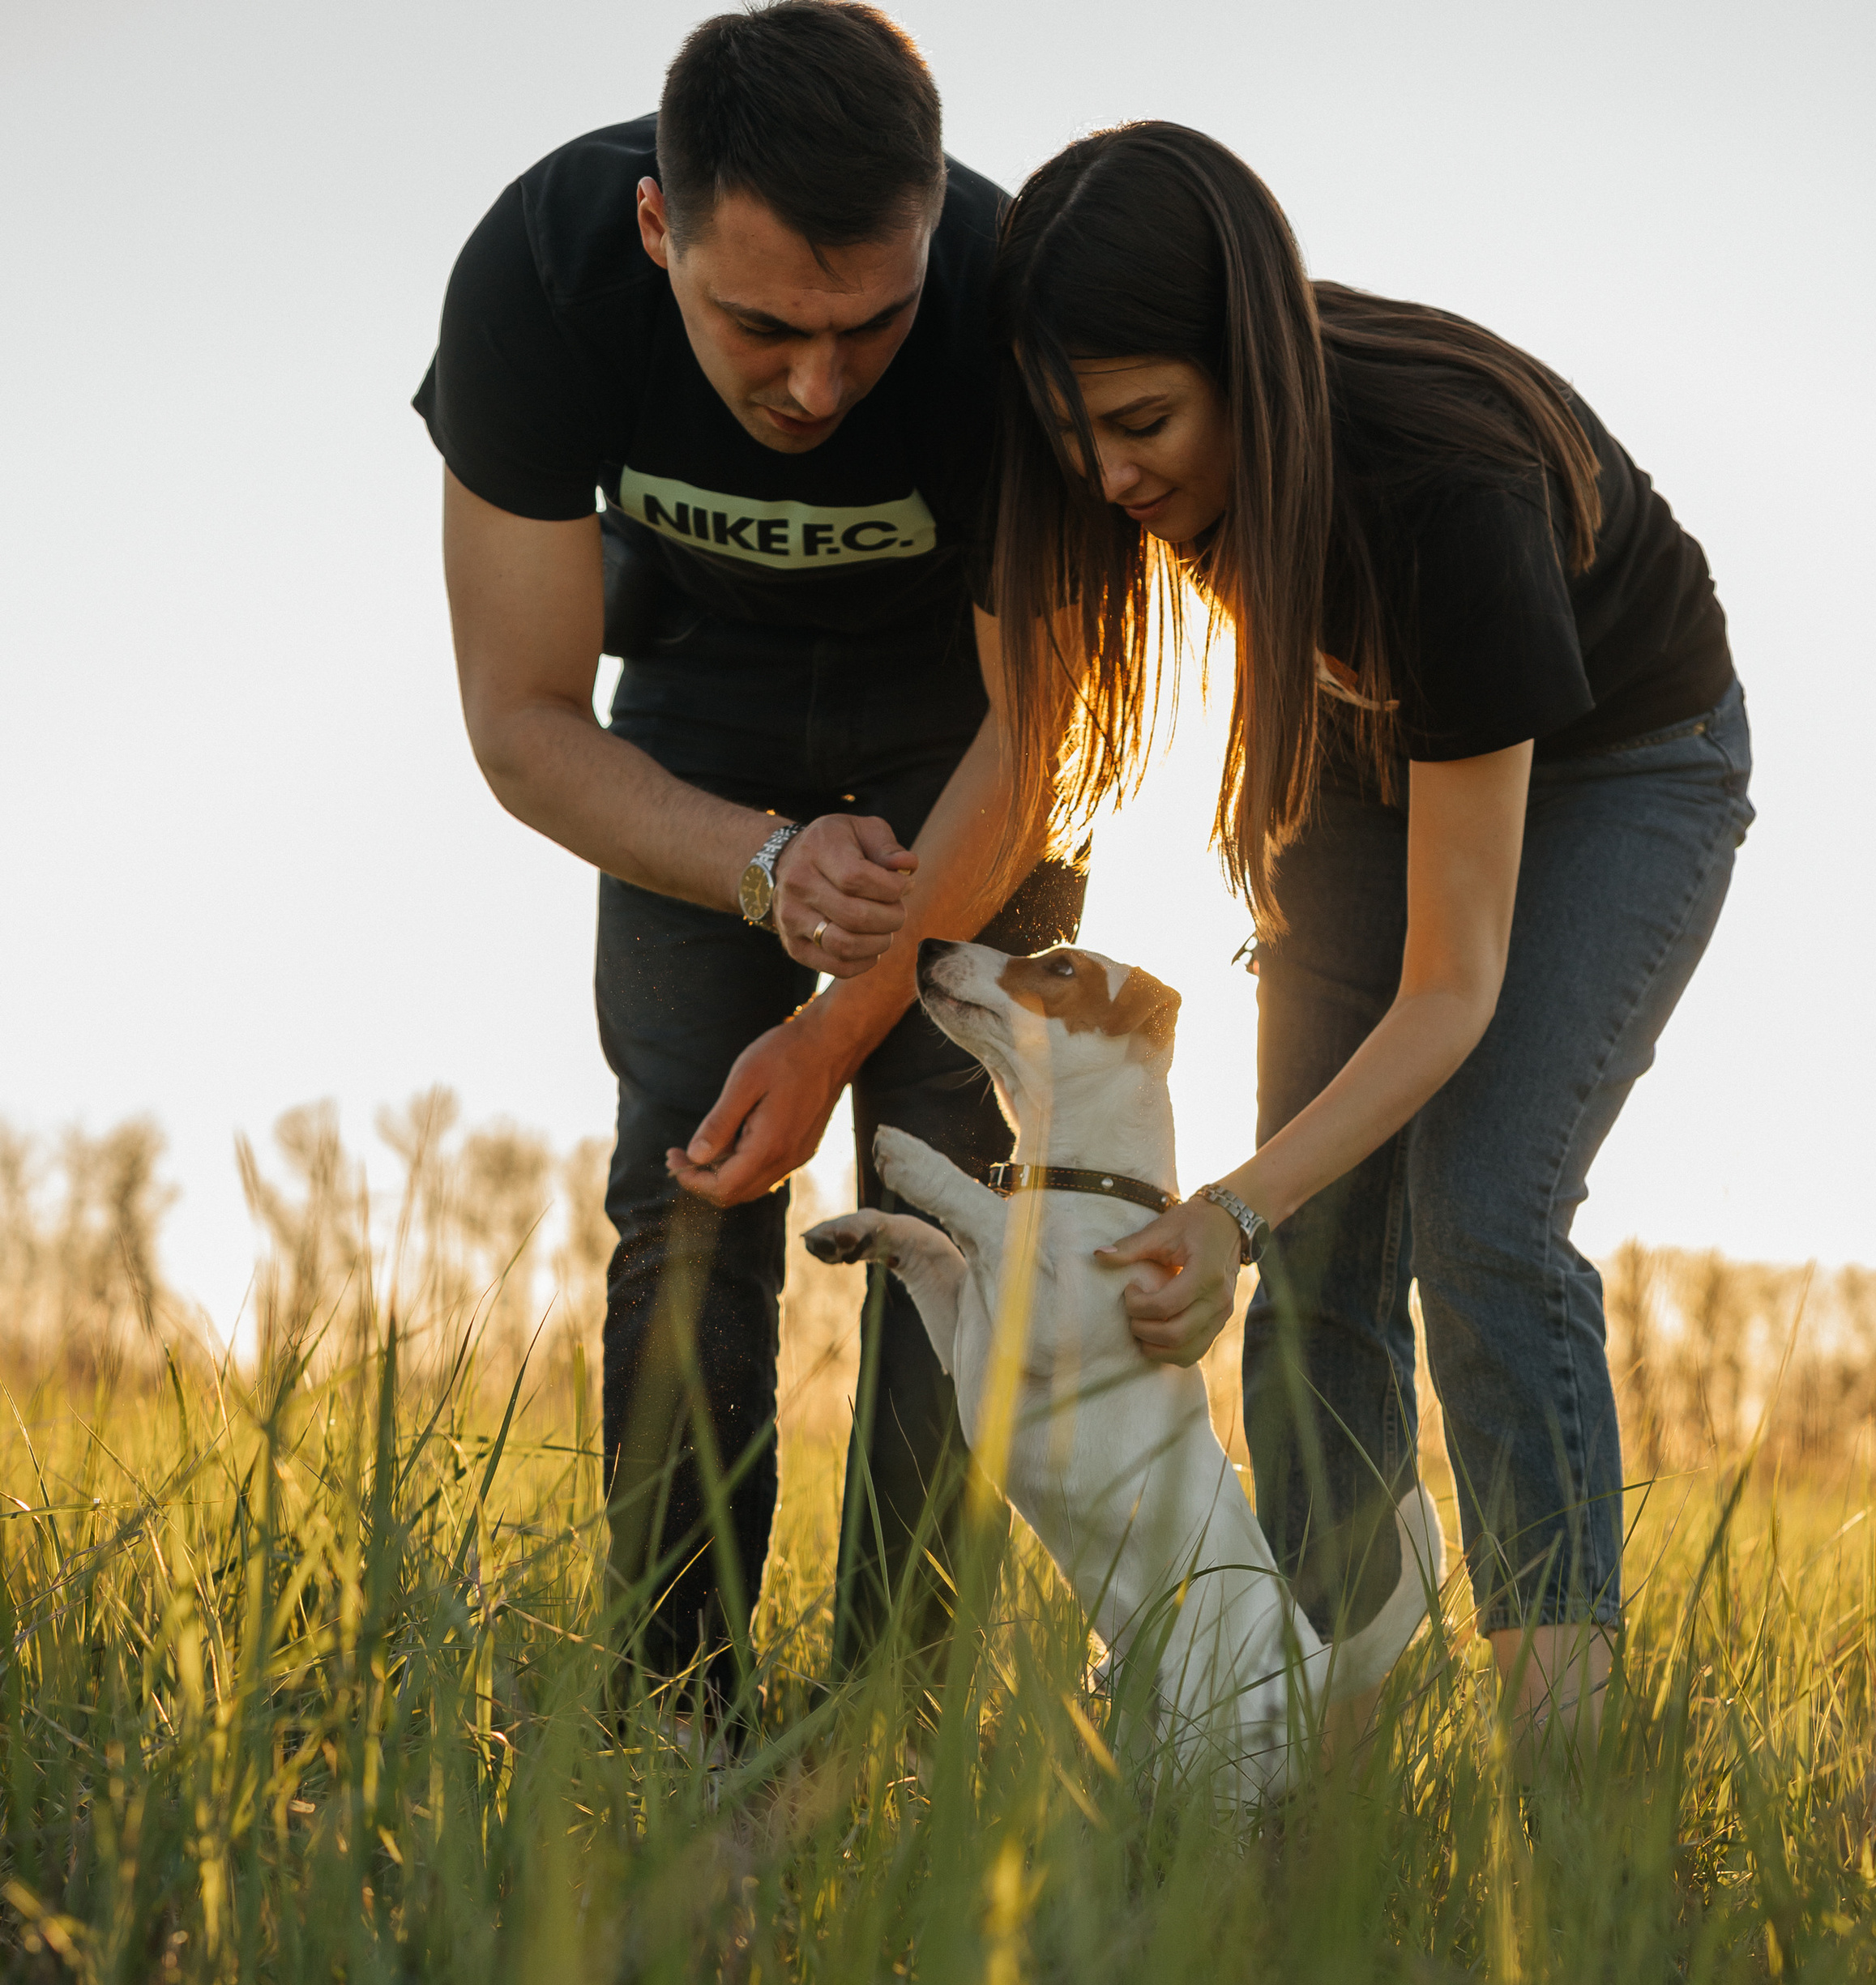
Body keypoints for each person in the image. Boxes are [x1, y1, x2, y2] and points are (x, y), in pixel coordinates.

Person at [985, 125, 1754, 1743]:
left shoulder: (1443, 493)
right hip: (1370, 744)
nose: (1112, 481)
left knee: (1480, 1216)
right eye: (1075, 439)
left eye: (1139, 427)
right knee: (1323, 1242)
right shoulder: (1147, 468)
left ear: (1246, 372)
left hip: (1624, 763)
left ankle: (1566, 1754)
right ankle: (1318, 1739)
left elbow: (1450, 991)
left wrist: (1225, 1209)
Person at [414, 0, 1080, 1709]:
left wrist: (834, 1018)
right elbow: (522, 722)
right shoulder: (544, 276)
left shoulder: (1013, 305)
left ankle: (893, 1720)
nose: (817, 381)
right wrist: (761, 864)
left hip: (964, 733)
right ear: (659, 226)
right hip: (691, 714)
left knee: (954, 1197)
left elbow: (1045, 733)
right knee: (689, 1180)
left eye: (869, 326)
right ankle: (670, 1709)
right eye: (762, 325)